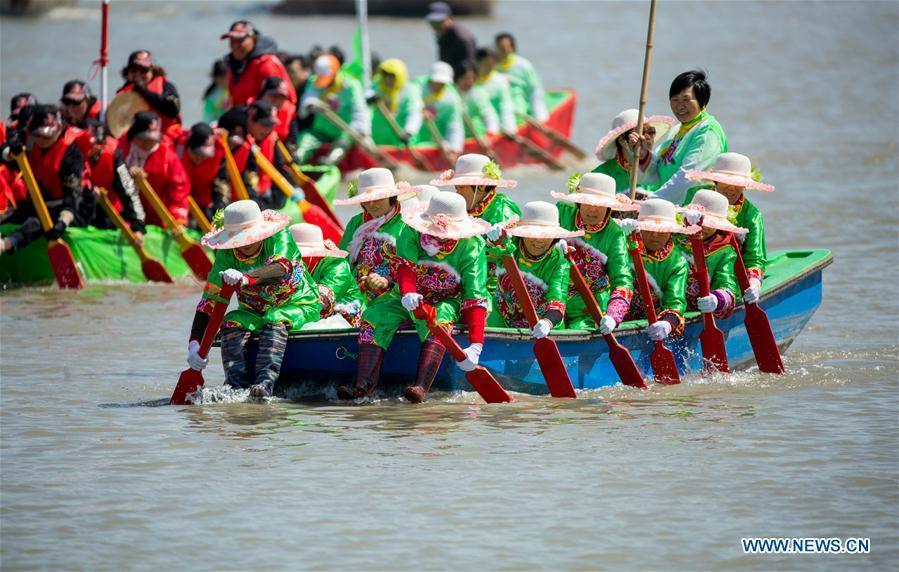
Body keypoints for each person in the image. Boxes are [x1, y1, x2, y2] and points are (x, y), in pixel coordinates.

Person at [338, 191, 490, 403]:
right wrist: (408, 291)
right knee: (375, 313)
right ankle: (363, 386)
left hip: (447, 298)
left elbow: (475, 296)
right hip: (406, 295)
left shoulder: (472, 247)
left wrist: (476, 345)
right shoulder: (410, 233)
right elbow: (405, 267)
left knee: (442, 314)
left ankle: (421, 386)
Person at [187, 200, 321, 398]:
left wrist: (245, 278)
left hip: (298, 302)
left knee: (274, 318)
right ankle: (235, 386)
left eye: (249, 237)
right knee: (230, 321)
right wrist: (194, 343)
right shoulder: (226, 254)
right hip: (253, 310)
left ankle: (264, 384)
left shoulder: (279, 237)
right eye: (240, 238)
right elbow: (210, 299)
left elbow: (280, 269)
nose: (246, 243)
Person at [0, 105, 93, 255]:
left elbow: (72, 199)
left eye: (47, 136)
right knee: (12, 215)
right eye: (38, 135)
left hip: (75, 206)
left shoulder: (71, 154)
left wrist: (63, 223)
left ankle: (7, 244)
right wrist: (10, 153)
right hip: (43, 200)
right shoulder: (27, 137)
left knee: (41, 220)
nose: (42, 140)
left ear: (59, 130)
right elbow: (3, 150)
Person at [550, 172, 637, 331]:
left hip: (589, 310)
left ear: (609, 206)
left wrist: (613, 316)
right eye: (587, 202)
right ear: (579, 201)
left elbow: (622, 281)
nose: (592, 210)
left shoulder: (615, 234)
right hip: (550, 299)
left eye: (599, 205)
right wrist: (552, 244)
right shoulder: (562, 211)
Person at [685, 152, 774, 304]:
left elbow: (755, 258)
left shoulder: (752, 215)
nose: (731, 189)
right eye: (726, 182)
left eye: (737, 184)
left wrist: (754, 283)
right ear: (715, 181)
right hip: (687, 268)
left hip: (727, 275)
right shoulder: (696, 195)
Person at [431, 153, 520, 303]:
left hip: (493, 288)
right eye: (456, 188)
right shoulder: (463, 208)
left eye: (461, 187)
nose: (457, 193)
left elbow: (508, 254)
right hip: (461, 279)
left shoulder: (502, 210)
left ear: (482, 186)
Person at [491, 201, 581, 336]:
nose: (539, 240)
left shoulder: (559, 262)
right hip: (499, 323)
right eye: (533, 233)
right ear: (522, 233)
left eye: (545, 235)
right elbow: (482, 256)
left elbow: (557, 299)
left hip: (542, 331)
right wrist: (491, 238)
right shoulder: (507, 246)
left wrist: (547, 322)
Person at [617, 198, 699, 343]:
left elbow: (675, 302)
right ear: (640, 228)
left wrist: (667, 323)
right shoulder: (623, 243)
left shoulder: (677, 262)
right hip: (614, 315)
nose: (655, 235)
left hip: (653, 323)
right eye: (650, 229)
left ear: (671, 232)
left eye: (661, 231)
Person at [640, 70, 727, 205]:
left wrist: (651, 202)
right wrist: (643, 154)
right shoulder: (677, 130)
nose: (680, 106)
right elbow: (656, 174)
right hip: (669, 206)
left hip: (694, 213)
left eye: (686, 100)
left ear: (702, 100)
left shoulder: (707, 131)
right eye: (675, 100)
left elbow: (688, 176)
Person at [334, 168, 413, 304]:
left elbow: (413, 266)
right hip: (356, 290)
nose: (371, 204)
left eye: (377, 199)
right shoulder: (356, 222)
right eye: (366, 199)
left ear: (391, 196)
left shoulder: (407, 223)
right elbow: (343, 261)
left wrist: (385, 280)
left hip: (393, 293)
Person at [678, 189, 745, 319]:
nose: (703, 227)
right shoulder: (674, 238)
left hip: (701, 308)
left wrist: (717, 299)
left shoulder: (725, 252)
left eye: (709, 223)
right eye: (700, 221)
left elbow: (727, 283)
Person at [118, 111, 190, 227]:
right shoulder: (121, 150)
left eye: (154, 138)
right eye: (145, 139)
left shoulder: (168, 157)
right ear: (135, 137)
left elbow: (179, 191)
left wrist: (178, 220)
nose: (151, 142)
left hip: (159, 219)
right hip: (127, 214)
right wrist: (126, 174)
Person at [296, 54, 370, 165]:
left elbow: (359, 111)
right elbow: (307, 101)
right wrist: (313, 105)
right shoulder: (314, 82)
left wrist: (362, 133)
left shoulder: (351, 85)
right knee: (305, 141)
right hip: (320, 131)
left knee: (339, 149)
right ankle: (296, 162)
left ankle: (327, 165)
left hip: (343, 133)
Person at [290, 223, 364, 327]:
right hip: (307, 313)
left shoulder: (338, 266)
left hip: (344, 318)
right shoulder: (291, 265)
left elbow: (321, 298)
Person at [592, 109, 677, 192]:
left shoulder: (661, 169)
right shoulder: (600, 176)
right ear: (622, 140)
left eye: (651, 131)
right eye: (641, 132)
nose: (647, 137)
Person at [221, 20, 296, 107]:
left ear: (254, 38)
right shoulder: (235, 65)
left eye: (240, 40)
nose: (235, 45)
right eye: (232, 41)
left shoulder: (266, 64)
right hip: (247, 117)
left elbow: (277, 102)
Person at [117, 50, 183, 139]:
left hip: (165, 140)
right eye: (133, 70)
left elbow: (173, 110)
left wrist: (144, 92)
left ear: (152, 70)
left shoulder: (166, 86)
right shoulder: (122, 95)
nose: (138, 74)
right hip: (135, 141)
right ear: (127, 73)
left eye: (143, 70)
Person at [175, 122, 228, 221]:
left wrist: (220, 214)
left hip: (204, 202)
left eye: (205, 155)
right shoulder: (176, 146)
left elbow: (221, 185)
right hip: (179, 201)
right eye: (197, 153)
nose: (200, 158)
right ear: (188, 146)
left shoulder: (219, 151)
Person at [494, 32, 548, 121]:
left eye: (507, 47)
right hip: (498, 113)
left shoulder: (524, 66)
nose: (504, 50)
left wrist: (540, 116)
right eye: (501, 48)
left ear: (513, 48)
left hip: (519, 112)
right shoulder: (491, 67)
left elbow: (535, 91)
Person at [370, 58, 424, 147]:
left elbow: (414, 113)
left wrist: (409, 132)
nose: (388, 80)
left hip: (402, 141)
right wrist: (369, 99)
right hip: (379, 142)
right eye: (385, 76)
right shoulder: (377, 86)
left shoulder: (410, 91)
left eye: (391, 77)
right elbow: (365, 99)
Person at [416, 61, 464, 155]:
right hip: (415, 139)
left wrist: (454, 148)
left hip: (437, 140)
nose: (439, 85)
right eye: (436, 82)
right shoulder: (417, 88)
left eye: (442, 83)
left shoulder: (451, 99)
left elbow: (454, 125)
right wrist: (419, 113)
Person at [216, 105, 262, 202]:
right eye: (233, 130)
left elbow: (251, 178)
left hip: (238, 197)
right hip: (216, 196)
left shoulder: (247, 150)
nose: (236, 133)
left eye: (240, 132)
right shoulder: (214, 148)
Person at [425, 2, 476, 76]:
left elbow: (469, 69)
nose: (435, 26)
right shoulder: (442, 33)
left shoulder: (463, 39)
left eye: (439, 22)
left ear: (450, 18)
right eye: (432, 22)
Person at [474, 48, 517, 134]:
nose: (489, 65)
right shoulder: (470, 82)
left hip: (499, 127)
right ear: (477, 62)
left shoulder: (500, 81)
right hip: (478, 128)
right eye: (486, 63)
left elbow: (505, 106)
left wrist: (509, 128)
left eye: (492, 62)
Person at [455, 60, 500, 138]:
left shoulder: (479, 94)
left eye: (472, 78)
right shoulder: (451, 94)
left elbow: (489, 115)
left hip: (477, 137)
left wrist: (491, 133)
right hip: (457, 137)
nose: (469, 82)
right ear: (457, 78)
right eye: (465, 78)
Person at [256, 76, 298, 149]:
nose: (276, 100)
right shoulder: (250, 112)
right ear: (263, 93)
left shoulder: (288, 113)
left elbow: (292, 142)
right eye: (273, 95)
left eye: (281, 97)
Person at [202, 59, 230, 123]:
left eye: (225, 76)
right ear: (215, 78)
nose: (224, 80)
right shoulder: (211, 96)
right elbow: (207, 118)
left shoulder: (233, 89)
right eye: (220, 78)